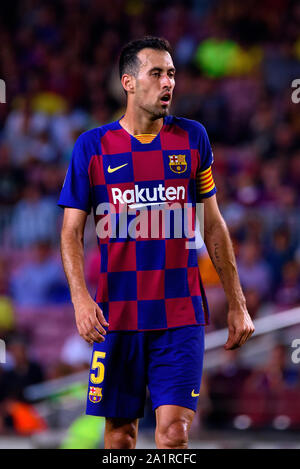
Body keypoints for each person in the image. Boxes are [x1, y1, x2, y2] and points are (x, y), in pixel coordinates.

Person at [58, 36, 254, 449]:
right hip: (118, 316)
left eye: (172, 74)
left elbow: (213, 225)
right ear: (129, 83)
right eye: (157, 74)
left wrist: (236, 302)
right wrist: (79, 298)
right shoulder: (92, 147)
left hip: (180, 313)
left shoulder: (192, 138)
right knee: (119, 436)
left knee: (173, 435)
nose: (168, 83)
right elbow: (71, 231)